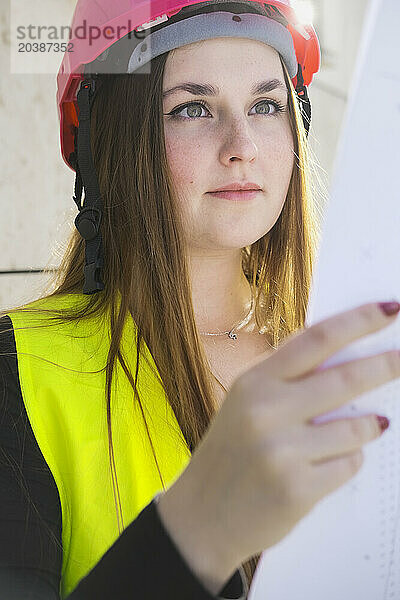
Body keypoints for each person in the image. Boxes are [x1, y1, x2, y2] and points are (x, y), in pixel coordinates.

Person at [1, 0, 399, 598]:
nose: (243, 145)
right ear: (109, 145)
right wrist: (198, 532)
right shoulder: (19, 371)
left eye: (266, 105)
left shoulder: (359, 354)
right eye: (191, 108)